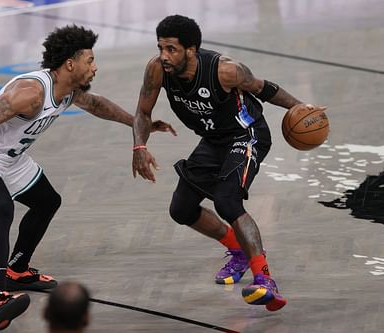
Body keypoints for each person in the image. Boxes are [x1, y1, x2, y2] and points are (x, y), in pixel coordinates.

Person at [0, 25, 176, 330]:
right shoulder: (31, 93)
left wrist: (139, 124)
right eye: (90, 60)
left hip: (10, 158)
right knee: (1, 208)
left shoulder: (69, 91)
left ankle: (17, 270)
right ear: (70, 64)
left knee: (47, 202)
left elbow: (96, 104)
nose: (95, 67)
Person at [131, 15, 326, 311]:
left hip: (246, 134)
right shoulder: (157, 70)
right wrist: (139, 145)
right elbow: (143, 113)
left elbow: (263, 88)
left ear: (191, 50)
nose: (163, 56)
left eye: (171, 49)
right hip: (213, 139)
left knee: (227, 200)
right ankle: (237, 249)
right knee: (181, 209)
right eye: (160, 47)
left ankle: (265, 279)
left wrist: (300, 107)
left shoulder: (225, 71)